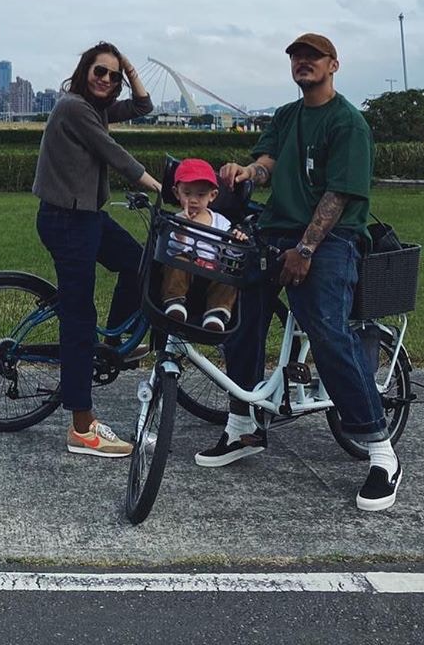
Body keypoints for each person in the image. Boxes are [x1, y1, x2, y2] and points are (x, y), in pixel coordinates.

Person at [197, 33, 402, 513]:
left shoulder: (347, 123)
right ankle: (243, 426)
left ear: (334, 65)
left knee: (326, 329)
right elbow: (269, 161)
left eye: (313, 57)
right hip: (276, 230)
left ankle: (380, 449)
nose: (303, 63)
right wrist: (248, 173)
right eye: (296, 57)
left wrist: (305, 249)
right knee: (240, 317)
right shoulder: (288, 115)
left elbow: (339, 194)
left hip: (330, 240)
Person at [32, 42, 162, 458]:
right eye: (99, 71)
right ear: (84, 69)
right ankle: (82, 427)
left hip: (86, 218)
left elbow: (143, 107)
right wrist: (161, 186)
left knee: (138, 261)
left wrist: (131, 70)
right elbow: (115, 155)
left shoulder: (96, 108)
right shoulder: (74, 108)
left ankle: (116, 341)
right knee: (79, 320)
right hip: (67, 221)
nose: (106, 79)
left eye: (113, 75)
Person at [160, 158, 246, 333]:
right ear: (177, 193)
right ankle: (175, 302)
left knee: (228, 276)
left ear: (212, 196)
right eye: (187, 193)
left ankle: (217, 313)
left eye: (200, 195)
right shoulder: (176, 221)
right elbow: (172, 249)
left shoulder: (220, 222)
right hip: (187, 269)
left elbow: (230, 252)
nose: (193, 200)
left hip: (212, 271)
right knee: (177, 261)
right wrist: (181, 230)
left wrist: (237, 240)